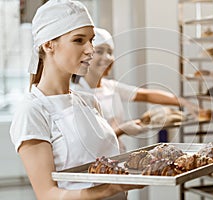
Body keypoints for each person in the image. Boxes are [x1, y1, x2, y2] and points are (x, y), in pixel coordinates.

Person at [9, 1, 143, 199]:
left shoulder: (89, 102)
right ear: (48, 45)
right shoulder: (33, 111)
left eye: (91, 40)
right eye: (79, 40)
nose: (90, 49)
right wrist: (107, 189)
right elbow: (47, 194)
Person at [71, 27, 200, 137]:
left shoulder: (110, 86)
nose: (107, 58)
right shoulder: (75, 94)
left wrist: (184, 102)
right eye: (99, 51)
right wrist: (121, 130)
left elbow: (145, 95)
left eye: (110, 52)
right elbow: (88, 141)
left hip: (117, 155)